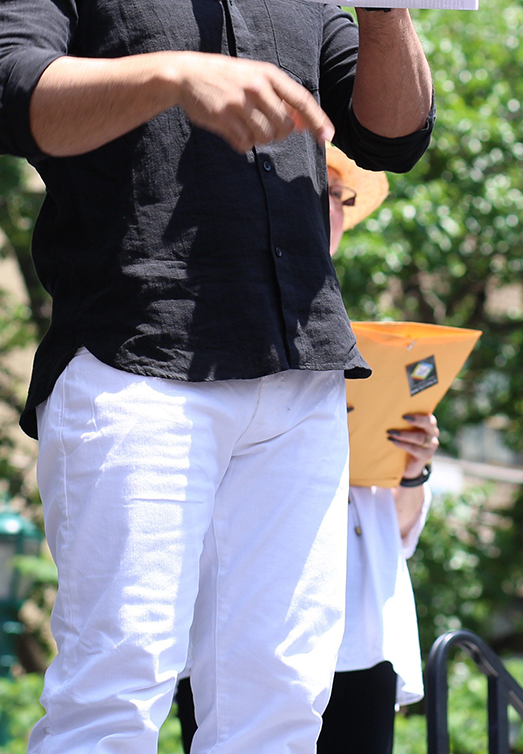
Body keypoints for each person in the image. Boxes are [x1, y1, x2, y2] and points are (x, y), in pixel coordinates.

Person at [0, 0, 435, 753]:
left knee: (278, 709)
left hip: (299, 378)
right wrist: (173, 75)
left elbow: (393, 133)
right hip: (139, 364)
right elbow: (7, 96)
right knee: (114, 695)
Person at [174, 147, 440, 754]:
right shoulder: (209, 314)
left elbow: (396, 532)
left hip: (357, 633)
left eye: (342, 198)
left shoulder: (372, 343)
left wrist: (412, 469)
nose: (334, 210)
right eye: (323, 190)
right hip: (245, 618)